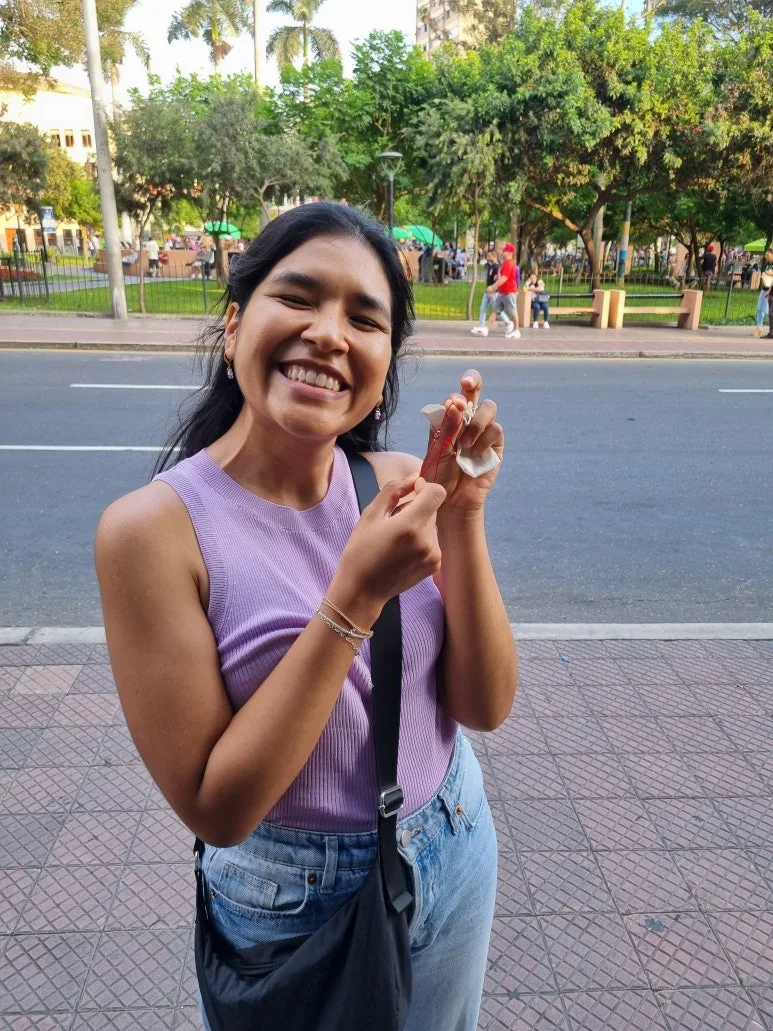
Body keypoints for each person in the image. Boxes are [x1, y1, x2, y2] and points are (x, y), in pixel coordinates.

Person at [94, 202, 516, 1031]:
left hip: (454, 831)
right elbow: (217, 808)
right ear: (232, 325)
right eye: (297, 297)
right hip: (291, 891)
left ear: (384, 362)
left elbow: (484, 705)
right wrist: (353, 599)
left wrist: (462, 512)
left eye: (364, 318)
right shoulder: (152, 531)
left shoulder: (397, 483)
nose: (328, 333)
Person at [470, 248, 499, 336]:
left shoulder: (497, 267)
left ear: (494, 256)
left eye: (489, 256)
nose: (487, 257)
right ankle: (481, 326)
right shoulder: (490, 266)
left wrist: (492, 292)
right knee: (482, 308)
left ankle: (509, 323)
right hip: (487, 291)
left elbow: (497, 281)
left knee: (497, 310)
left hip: (493, 292)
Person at [753, 248, 773, 338]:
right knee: (759, 307)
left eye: (767, 255)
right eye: (765, 255)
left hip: (770, 290)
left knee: (769, 310)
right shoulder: (768, 264)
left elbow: (770, 273)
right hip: (764, 288)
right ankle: (759, 327)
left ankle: (770, 331)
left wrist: (766, 273)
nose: (766, 257)